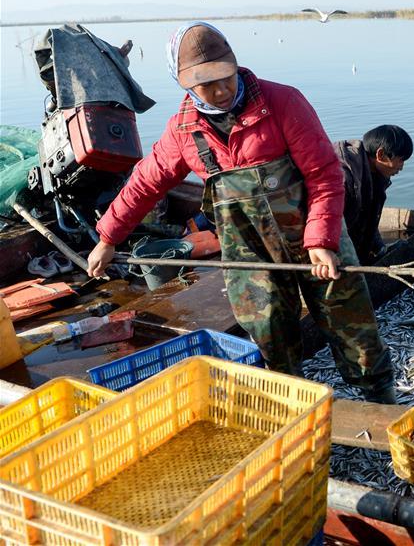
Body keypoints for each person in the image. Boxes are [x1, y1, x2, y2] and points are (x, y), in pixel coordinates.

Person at [86, 22, 396, 404]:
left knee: (353, 327)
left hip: (316, 242)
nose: (220, 90)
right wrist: (107, 239)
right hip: (249, 256)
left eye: (226, 77)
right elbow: (145, 184)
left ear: (235, 65)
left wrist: (321, 241)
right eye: (205, 84)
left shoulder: (282, 102)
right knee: (270, 338)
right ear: (183, 83)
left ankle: (382, 403)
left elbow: (324, 174)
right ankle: (296, 411)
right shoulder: (184, 130)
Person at [332, 125, 413, 264]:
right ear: (380, 155)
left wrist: (379, 247)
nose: (402, 166)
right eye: (400, 160)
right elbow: (330, 225)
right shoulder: (343, 179)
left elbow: (369, 216)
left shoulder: (376, 173)